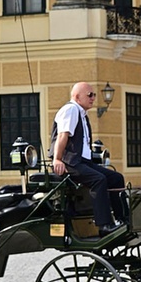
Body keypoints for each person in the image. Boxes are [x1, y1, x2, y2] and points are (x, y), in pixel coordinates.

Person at [49, 82, 126, 236]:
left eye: (94, 95)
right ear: (77, 97)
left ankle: (123, 220)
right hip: (69, 162)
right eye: (89, 95)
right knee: (99, 179)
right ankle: (104, 225)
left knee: (116, 178)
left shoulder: (82, 114)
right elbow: (62, 136)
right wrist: (57, 159)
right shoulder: (71, 109)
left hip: (82, 161)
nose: (93, 98)